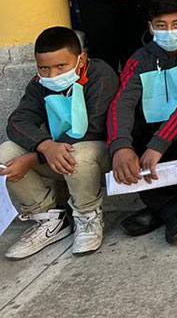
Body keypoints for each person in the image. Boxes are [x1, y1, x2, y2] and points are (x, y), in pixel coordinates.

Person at [108, 0, 177, 245]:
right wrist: (120, 146)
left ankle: (162, 209)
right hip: (153, 127)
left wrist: (159, 144)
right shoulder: (139, 59)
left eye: (176, 24)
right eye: (161, 26)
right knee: (125, 132)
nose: (169, 31)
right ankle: (171, 210)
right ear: (151, 27)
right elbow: (122, 101)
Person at [0, 27, 118, 259]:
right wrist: (45, 146)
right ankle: (50, 219)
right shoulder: (39, 84)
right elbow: (17, 122)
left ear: (81, 59)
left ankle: (87, 216)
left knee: (77, 153)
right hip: (54, 153)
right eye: (44, 68)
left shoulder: (100, 75)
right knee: (5, 154)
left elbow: (93, 127)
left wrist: (36, 156)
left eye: (60, 66)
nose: (52, 74)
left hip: (98, 155)